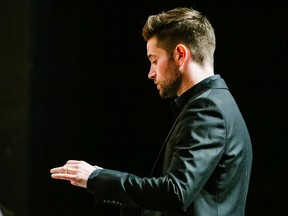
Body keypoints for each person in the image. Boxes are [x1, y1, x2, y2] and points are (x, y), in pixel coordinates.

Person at [50, 7, 253, 216]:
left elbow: (174, 193)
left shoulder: (207, 109)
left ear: (180, 55)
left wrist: (97, 178)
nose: (150, 73)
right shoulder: (215, 102)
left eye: (154, 60)